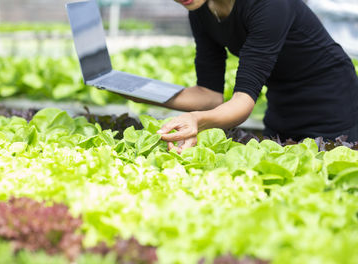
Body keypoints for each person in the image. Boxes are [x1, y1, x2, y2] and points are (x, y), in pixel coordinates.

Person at [131, 0, 358, 153]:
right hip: (281, 106)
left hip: (332, 104)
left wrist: (197, 121)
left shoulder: (269, 5)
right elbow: (208, 96)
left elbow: (242, 102)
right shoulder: (200, 9)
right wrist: (136, 91)